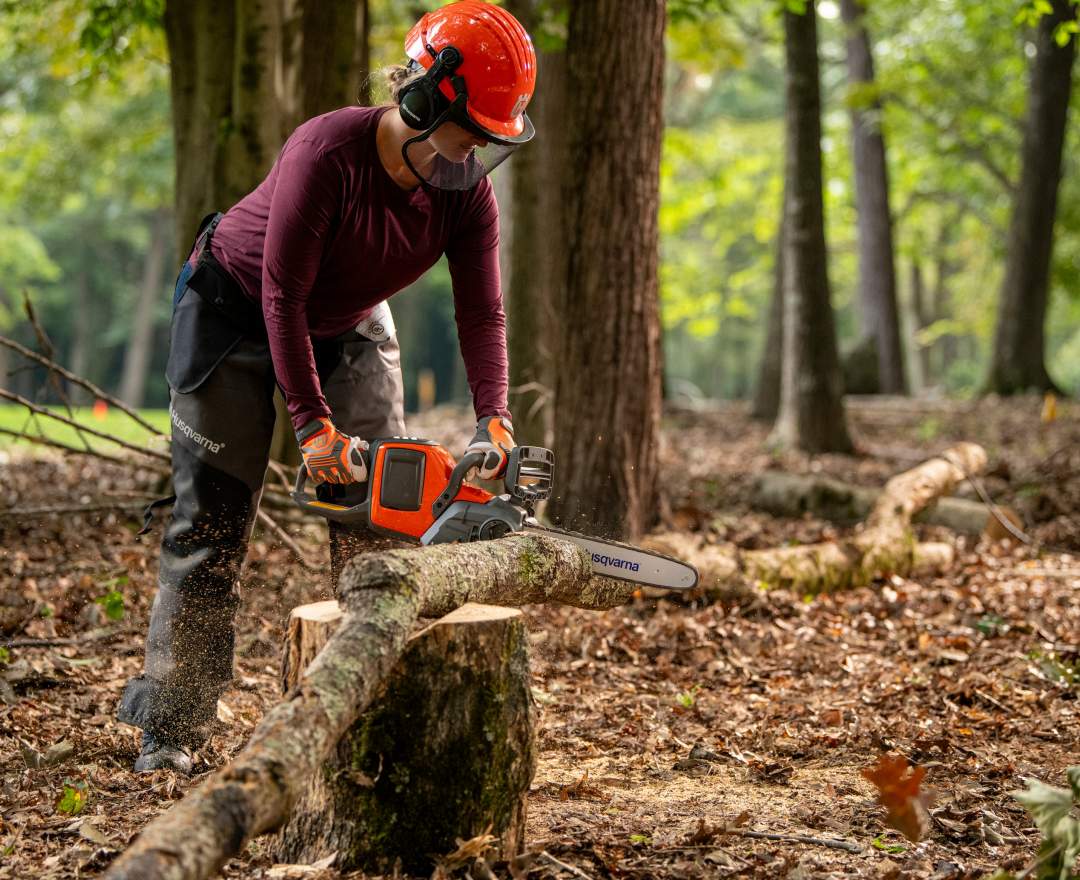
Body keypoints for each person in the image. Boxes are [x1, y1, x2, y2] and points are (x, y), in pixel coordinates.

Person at [117, 0, 536, 773]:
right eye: (471, 128)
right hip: (235, 310)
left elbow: (484, 312)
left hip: (350, 323)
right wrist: (311, 426)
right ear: (424, 96)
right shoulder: (327, 150)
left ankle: (364, 712)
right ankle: (171, 725)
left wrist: (495, 419)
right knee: (210, 521)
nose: (476, 149)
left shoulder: (466, 193)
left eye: (490, 137)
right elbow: (283, 297)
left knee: (382, 506)